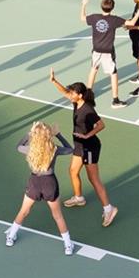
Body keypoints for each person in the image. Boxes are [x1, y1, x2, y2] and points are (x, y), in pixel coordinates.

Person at [48, 70, 117, 227]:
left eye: (73, 93)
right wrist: (54, 81)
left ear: (79, 95)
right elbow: (65, 92)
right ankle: (79, 198)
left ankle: (109, 209)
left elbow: (101, 125)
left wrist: (87, 136)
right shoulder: (76, 102)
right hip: (80, 145)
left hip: (89, 147)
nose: (70, 95)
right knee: (73, 171)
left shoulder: (87, 110)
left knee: (94, 179)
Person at [4, 122, 76, 255]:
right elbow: (70, 149)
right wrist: (58, 134)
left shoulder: (30, 149)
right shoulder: (54, 149)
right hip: (50, 183)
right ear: (48, 135)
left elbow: (18, 146)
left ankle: (11, 237)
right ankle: (68, 246)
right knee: (58, 216)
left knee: (23, 211)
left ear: (34, 135)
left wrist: (29, 134)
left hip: (34, 183)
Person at [81, 0, 126, 107]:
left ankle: (88, 95)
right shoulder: (115, 20)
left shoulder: (94, 17)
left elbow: (83, 17)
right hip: (108, 52)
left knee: (93, 69)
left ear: (101, 6)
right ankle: (115, 100)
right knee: (113, 74)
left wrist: (83, 5)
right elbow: (130, 23)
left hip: (96, 50)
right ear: (112, 7)